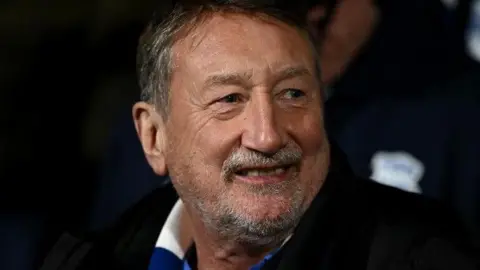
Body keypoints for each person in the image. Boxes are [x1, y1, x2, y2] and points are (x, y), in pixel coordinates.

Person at [40, 1, 478, 269]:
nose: (267, 136)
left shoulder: (426, 257)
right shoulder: (85, 261)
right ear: (154, 136)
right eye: (229, 99)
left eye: (292, 93)